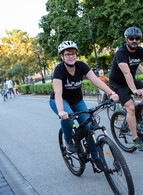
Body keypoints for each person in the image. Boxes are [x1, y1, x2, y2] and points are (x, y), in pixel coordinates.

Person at [49, 41, 119, 170]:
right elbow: (58, 92)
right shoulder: (59, 70)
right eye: (67, 54)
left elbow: (96, 81)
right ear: (62, 56)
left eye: (73, 53)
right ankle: (68, 140)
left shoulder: (81, 66)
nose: (71, 56)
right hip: (60, 100)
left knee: (88, 127)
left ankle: (95, 157)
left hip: (77, 100)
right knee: (68, 117)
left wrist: (111, 93)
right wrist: (60, 111)